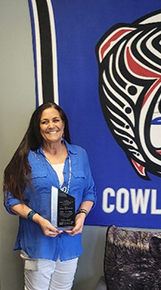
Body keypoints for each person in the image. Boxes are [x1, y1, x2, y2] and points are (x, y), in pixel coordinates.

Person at [3, 102, 96, 290]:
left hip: (70, 243)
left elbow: (89, 192)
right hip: (38, 244)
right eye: (44, 121)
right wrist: (37, 219)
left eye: (55, 120)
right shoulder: (25, 157)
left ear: (63, 124)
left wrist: (82, 215)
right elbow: (11, 199)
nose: (51, 125)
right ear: (38, 127)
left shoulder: (80, 155)